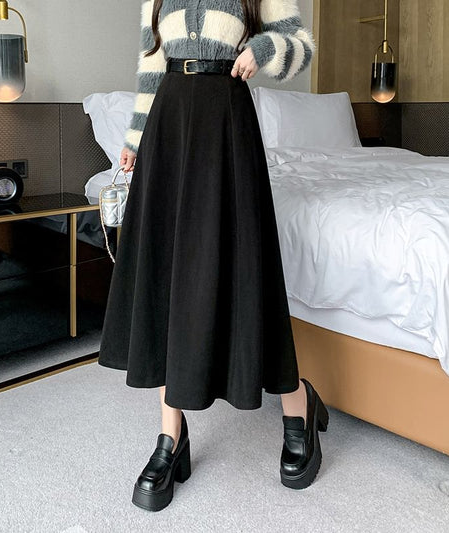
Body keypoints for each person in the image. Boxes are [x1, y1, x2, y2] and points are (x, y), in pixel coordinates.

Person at [98, 0, 329, 512]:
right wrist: (135, 138)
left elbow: (301, 48)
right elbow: (151, 64)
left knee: (248, 269)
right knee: (169, 274)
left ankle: (299, 404)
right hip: (168, 128)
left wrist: (262, 49)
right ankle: (170, 436)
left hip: (227, 121)